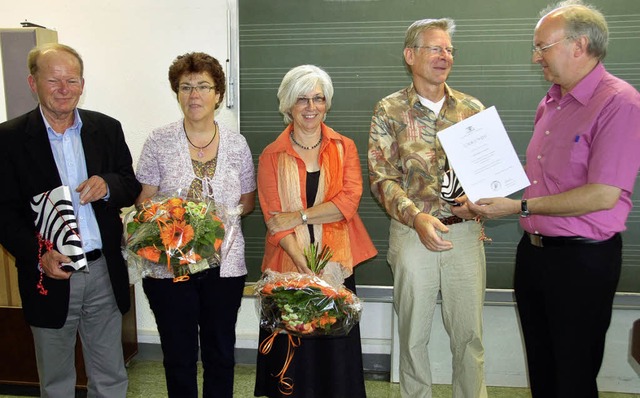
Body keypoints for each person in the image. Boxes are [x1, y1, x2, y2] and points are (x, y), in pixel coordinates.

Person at [466, 2, 640, 397]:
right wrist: (488, 200)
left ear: (579, 45)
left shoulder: (619, 103)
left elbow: (603, 194)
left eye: (542, 47)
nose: (535, 56)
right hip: (534, 255)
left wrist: (518, 207)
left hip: (582, 261)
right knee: (542, 371)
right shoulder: (551, 101)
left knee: (573, 378)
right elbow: (543, 182)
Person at [0, 43, 140, 397]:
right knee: (57, 380)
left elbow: (130, 184)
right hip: (50, 273)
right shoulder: (8, 139)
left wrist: (108, 185)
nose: (64, 89)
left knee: (110, 375)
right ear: (33, 83)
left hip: (103, 272)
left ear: (82, 84)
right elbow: (4, 213)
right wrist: (38, 254)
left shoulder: (107, 129)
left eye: (72, 80)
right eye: (54, 80)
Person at [368, 18, 488, 398]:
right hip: (411, 233)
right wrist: (415, 217)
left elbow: (487, 174)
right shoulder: (388, 110)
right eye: (435, 48)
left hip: (465, 234)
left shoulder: (472, 108)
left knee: (469, 337)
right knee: (413, 336)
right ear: (410, 55)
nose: (445, 56)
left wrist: (479, 204)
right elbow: (381, 177)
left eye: (449, 49)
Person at [134, 52, 256, 398]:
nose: (194, 95)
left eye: (203, 86)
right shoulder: (159, 140)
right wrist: (176, 217)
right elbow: (144, 199)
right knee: (178, 355)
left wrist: (216, 220)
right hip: (169, 268)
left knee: (221, 354)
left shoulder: (237, 144)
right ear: (177, 93)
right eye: (186, 87)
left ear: (218, 93)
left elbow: (248, 202)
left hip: (226, 266)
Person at [254, 64, 377, 398]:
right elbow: (273, 220)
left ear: (327, 103)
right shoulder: (271, 155)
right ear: (288, 105)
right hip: (288, 268)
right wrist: (303, 266)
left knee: (334, 363)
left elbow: (347, 202)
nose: (311, 107)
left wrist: (300, 216)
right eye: (302, 100)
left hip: (336, 265)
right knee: (293, 362)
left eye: (318, 99)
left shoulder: (344, 147)